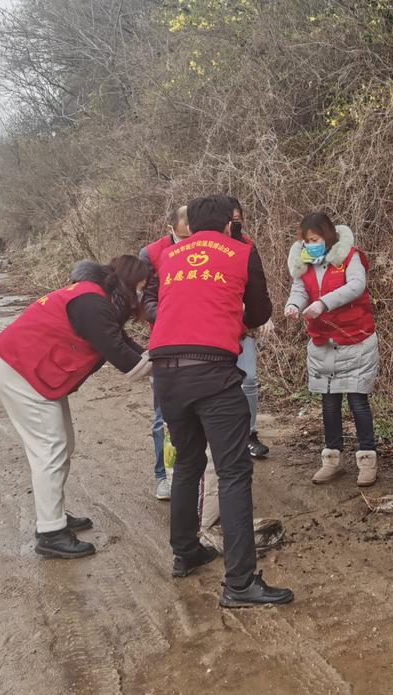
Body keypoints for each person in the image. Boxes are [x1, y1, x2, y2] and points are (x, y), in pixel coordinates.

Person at [149, 194, 292, 607]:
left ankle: (185, 551)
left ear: (189, 226)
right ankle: (240, 581)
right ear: (230, 224)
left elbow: (162, 305)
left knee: (189, 463)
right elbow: (261, 311)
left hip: (166, 373)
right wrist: (236, 321)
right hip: (211, 369)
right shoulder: (241, 252)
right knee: (233, 472)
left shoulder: (171, 257)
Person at [0, 256, 152, 559]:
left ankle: (54, 517)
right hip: (22, 372)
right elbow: (118, 353)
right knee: (50, 449)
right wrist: (163, 366)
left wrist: (153, 356)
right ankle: (51, 533)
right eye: (141, 289)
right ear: (129, 285)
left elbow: (123, 340)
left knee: (62, 445)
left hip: (32, 371)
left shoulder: (97, 297)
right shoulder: (91, 302)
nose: (141, 297)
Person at [284, 212, 379, 486]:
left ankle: (367, 460)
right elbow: (300, 289)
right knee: (328, 402)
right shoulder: (305, 261)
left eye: (314, 239)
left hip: (355, 338)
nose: (310, 244)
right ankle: (331, 460)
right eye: (306, 240)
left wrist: (324, 303)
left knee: (358, 401)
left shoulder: (349, 256)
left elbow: (356, 285)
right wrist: (294, 305)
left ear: (327, 237)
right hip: (322, 342)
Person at [140, 205, 190, 500]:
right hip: (164, 343)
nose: (191, 225)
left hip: (199, 344)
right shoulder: (152, 253)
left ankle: (191, 473)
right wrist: (170, 316)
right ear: (171, 224)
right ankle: (163, 475)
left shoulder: (207, 248)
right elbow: (145, 300)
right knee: (163, 415)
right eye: (186, 219)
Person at [228, 198, 273, 459]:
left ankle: (250, 433)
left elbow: (257, 286)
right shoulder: (208, 248)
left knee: (250, 379)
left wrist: (262, 316)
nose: (236, 223)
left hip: (244, 326)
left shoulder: (247, 246)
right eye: (231, 219)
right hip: (217, 329)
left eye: (239, 218)